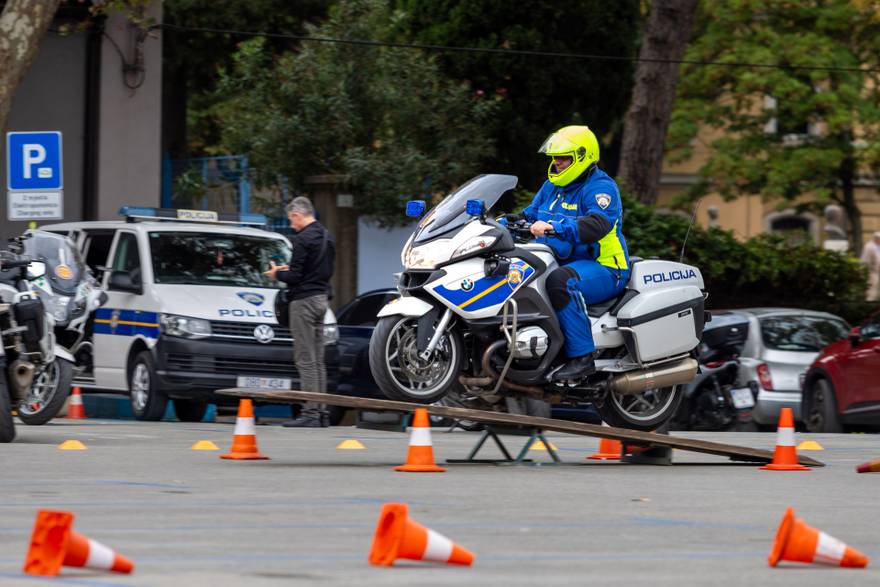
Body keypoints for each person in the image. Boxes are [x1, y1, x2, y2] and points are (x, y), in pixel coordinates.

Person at [517, 125, 630, 380]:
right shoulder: (551, 187)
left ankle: (582, 357)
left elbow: (597, 224)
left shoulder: (600, 187)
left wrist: (554, 227)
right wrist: (497, 223)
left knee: (561, 282)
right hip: (564, 262)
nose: (557, 163)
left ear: (582, 156)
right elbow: (527, 216)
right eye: (555, 157)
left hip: (605, 267)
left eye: (563, 157)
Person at [265, 196, 336, 427]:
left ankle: (310, 413)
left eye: (291, 220)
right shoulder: (327, 236)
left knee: (305, 359)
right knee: (318, 360)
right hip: (321, 300)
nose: (291, 224)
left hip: (304, 303)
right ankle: (322, 412)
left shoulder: (302, 239)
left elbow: (295, 276)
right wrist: (291, 269)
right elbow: (319, 270)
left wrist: (277, 274)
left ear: (297, 215)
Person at [860, 231, 880, 301]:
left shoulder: (877, 246)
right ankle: (870, 301)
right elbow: (865, 260)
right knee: (871, 287)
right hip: (871, 271)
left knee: (876, 288)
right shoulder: (869, 247)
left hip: (877, 271)